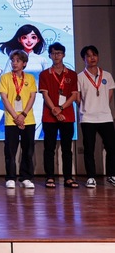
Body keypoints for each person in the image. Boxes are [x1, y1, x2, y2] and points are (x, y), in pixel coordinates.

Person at [38, 42, 79, 188]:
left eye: (59, 53)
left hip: (67, 115)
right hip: (49, 116)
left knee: (67, 148)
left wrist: (60, 108)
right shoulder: (44, 74)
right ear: (49, 55)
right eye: (53, 53)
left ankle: (68, 177)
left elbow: (74, 95)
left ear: (64, 55)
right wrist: (55, 110)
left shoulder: (72, 74)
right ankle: (50, 177)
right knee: (49, 148)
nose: (56, 56)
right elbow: (45, 95)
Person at [77, 45, 115, 188]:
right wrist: (86, 108)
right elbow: (77, 97)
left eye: (94, 55)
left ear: (98, 57)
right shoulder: (80, 77)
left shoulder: (107, 75)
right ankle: (91, 177)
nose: (92, 58)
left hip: (105, 117)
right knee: (89, 148)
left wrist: (101, 106)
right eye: (88, 56)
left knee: (111, 147)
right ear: (84, 59)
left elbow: (110, 94)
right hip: (88, 118)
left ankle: (111, 175)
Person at [0, 50, 37, 189]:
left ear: (24, 63)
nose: (14, 63)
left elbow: (32, 97)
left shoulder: (30, 78)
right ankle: (10, 178)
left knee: (28, 150)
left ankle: (26, 177)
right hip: (11, 120)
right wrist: (16, 116)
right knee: (10, 151)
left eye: (18, 61)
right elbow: (4, 98)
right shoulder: (5, 78)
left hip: (28, 119)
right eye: (13, 60)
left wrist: (23, 115)